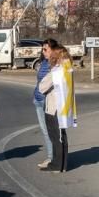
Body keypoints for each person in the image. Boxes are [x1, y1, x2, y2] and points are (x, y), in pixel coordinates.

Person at [37, 45, 76, 173]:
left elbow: (42, 87)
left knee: (55, 137)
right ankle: (63, 165)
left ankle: (56, 165)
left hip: (54, 107)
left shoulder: (57, 70)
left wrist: (48, 74)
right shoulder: (68, 68)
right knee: (62, 136)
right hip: (65, 108)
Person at [33, 39, 60, 169]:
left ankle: (52, 158)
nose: (43, 52)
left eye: (46, 49)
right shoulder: (43, 62)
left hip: (48, 101)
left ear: (53, 50)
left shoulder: (56, 64)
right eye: (42, 49)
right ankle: (51, 156)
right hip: (38, 99)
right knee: (45, 131)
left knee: (50, 131)